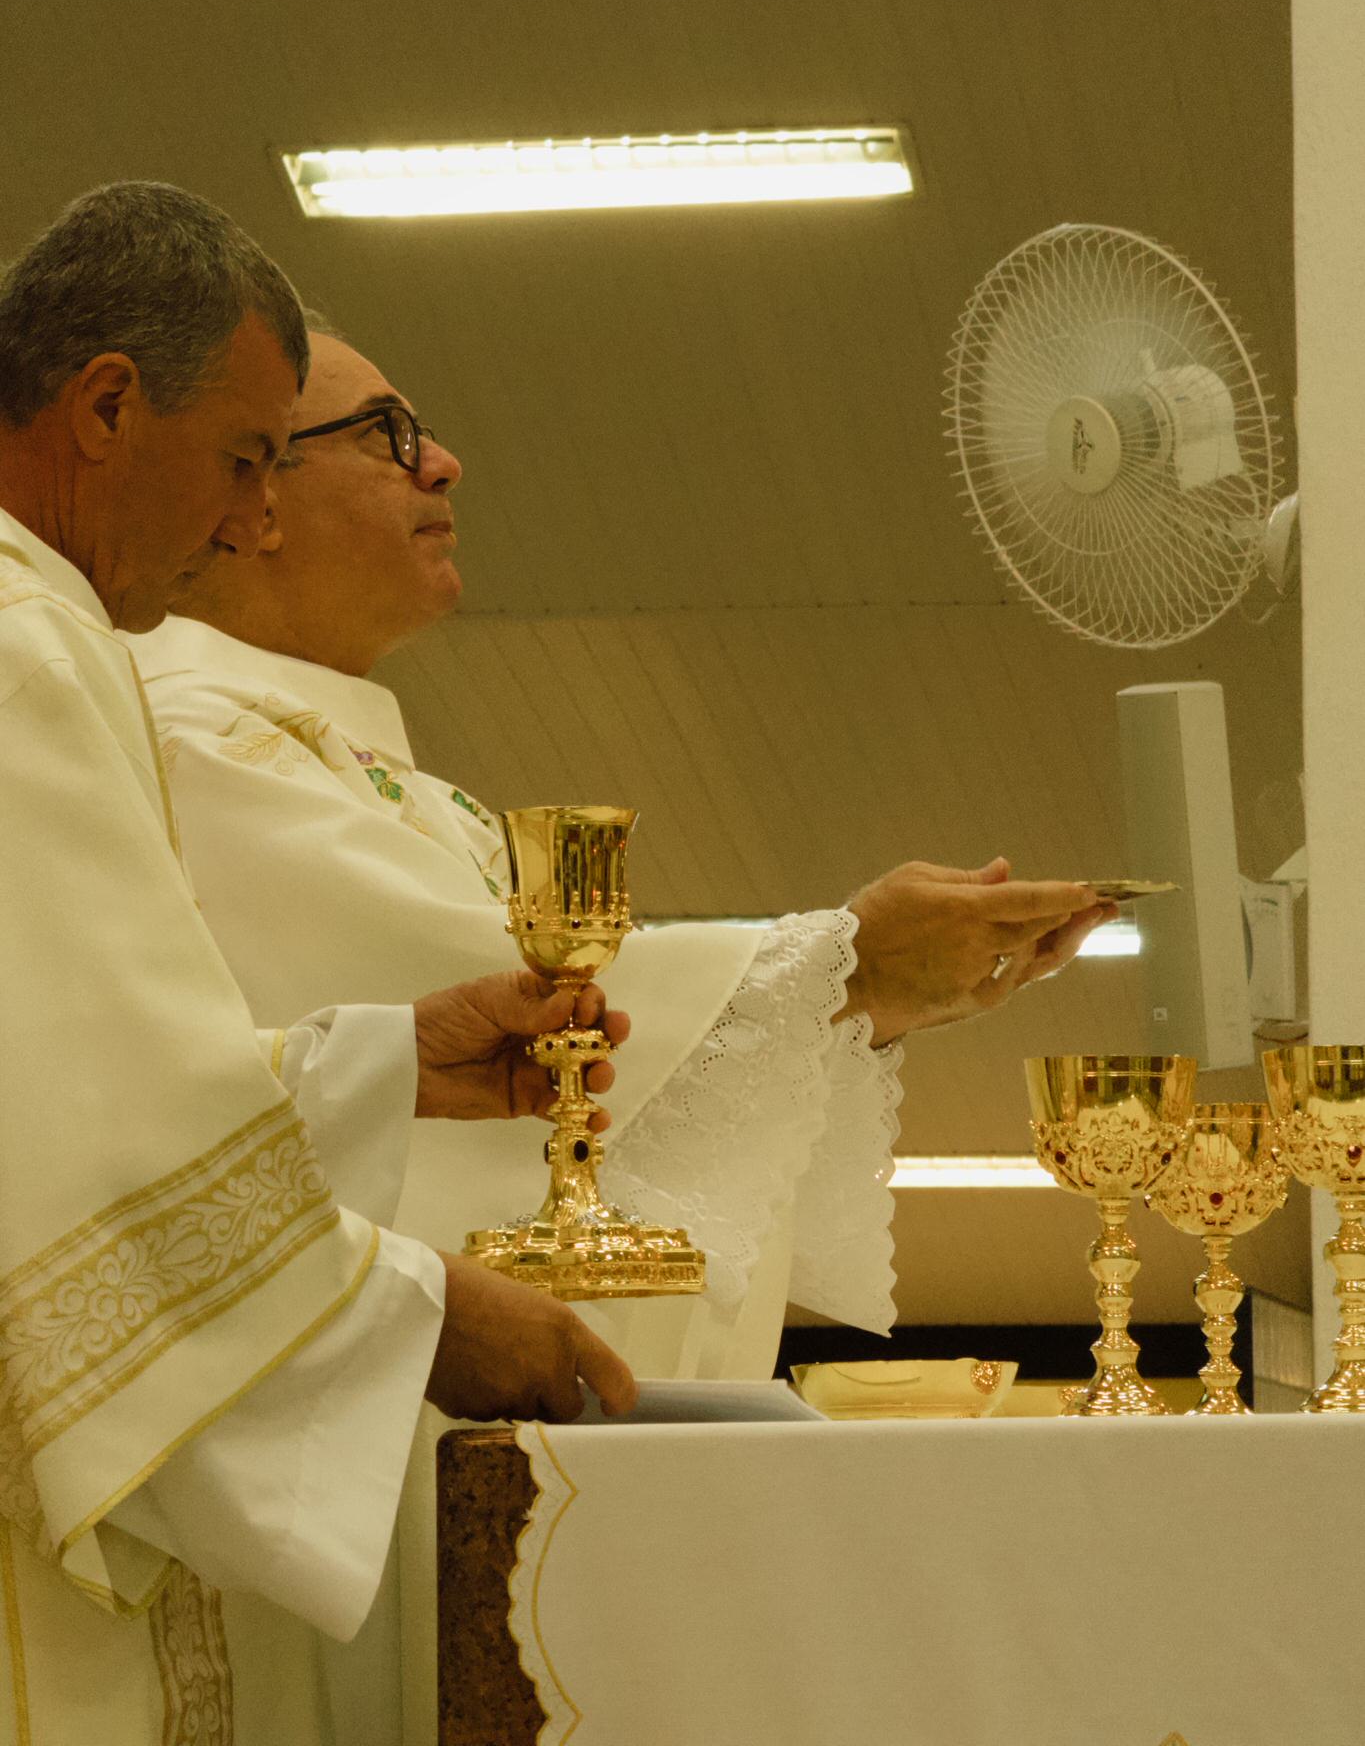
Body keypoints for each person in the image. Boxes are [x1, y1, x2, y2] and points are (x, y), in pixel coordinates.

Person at [137, 323, 1111, 1743]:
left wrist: (852, 992)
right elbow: (451, 1012)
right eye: (388, 434)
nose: (443, 462)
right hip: (345, 1465)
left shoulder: (376, 772)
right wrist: (838, 972)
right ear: (250, 489)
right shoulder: (187, 743)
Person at [0, 183, 636, 1746]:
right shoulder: (23, 646)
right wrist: (416, 1311)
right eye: (239, 458)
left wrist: (382, 1063)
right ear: (104, 407)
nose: (241, 519)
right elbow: (88, 1152)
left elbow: (54, 1090)